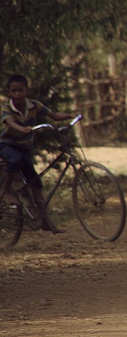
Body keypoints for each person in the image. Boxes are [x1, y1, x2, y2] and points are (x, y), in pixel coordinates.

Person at [0, 74, 75, 232]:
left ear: (27, 90)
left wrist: (68, 116)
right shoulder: (7, 109)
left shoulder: (35, 105)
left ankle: (45, 221)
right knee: (15, 160)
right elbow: (10, 122)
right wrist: (22, 129)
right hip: (8, 145)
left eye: (21, 90)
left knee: (36, 183)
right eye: (14, 91)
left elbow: (53, 115)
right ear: (9, 92)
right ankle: (6, 191)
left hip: (25, 148)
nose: (18, 94)